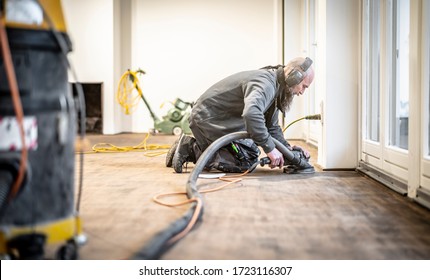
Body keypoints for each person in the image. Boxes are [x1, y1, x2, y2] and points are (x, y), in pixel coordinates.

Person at [166, 57, 315, 173]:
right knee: (244, 161)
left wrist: (287, 150)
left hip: (221, 119)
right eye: (303, 86)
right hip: (209, 118)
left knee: (249, 152)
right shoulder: (266, 83)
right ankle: (190, 148)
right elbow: (251, 113)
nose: (302, 92)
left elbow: (271, 127)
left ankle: (192, 148)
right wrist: (270, 149)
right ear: (293, 77)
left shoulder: (276, 88)